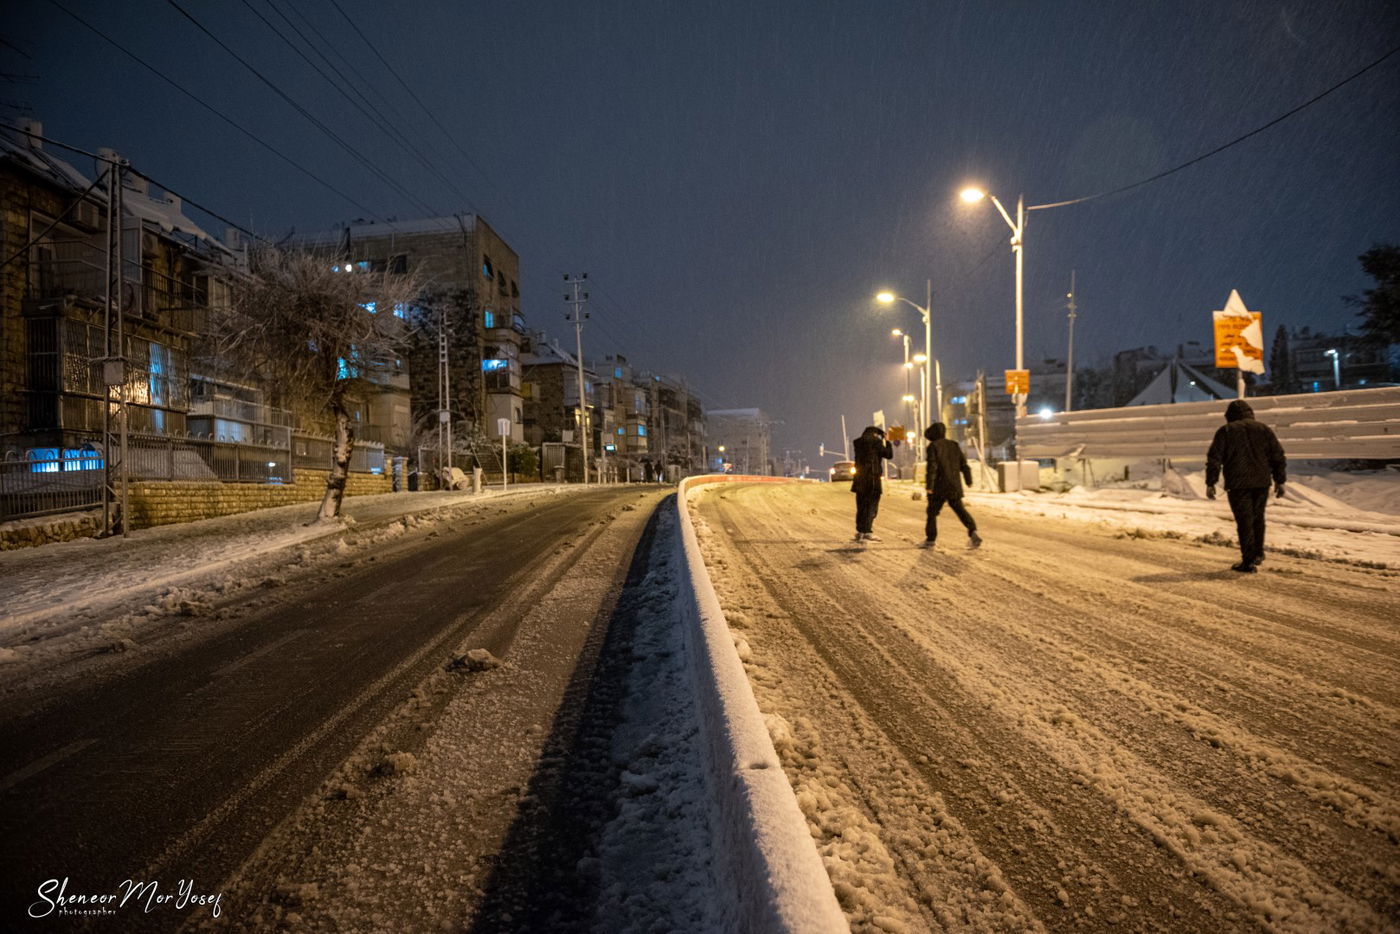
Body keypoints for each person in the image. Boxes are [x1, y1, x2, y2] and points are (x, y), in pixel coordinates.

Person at [1205, 399, 1287, 573]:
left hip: (1238, 484)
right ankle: (1257, 553)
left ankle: (1248, 561)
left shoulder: (1226, 431)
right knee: (1258, 518)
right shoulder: (1263, 429)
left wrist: (1211, 482)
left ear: (1229, 416)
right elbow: (1278, 456)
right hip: (1261, 482)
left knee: (1244, 521)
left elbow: (1214, 459)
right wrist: (1280, 480)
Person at [922, 422, 981, 549]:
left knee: (932, 513)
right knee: (960, 510)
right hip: (954, 485)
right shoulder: (954, 445)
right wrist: (968, 480)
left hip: (939, 487)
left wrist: (930, 485)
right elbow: (964, 465)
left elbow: (932, 467)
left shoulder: (933, 446)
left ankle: (930, 540)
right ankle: (973, 531)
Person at [850, 425, 893, 542]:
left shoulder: (857, 443)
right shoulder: (876, 442)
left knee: (861, 505)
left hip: (859, 479)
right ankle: (867, 532)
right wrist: (887, 441)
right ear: (875, 434)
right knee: (871, 506)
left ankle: (860, 532)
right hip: (872, 479)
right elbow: (889, 455)